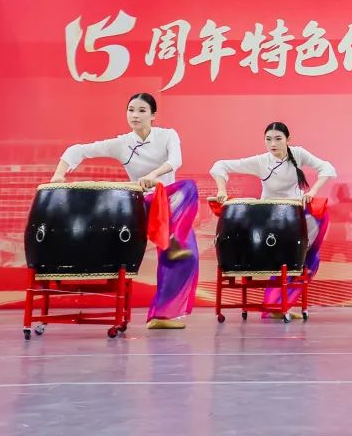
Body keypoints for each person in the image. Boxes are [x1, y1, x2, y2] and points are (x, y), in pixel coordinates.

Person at [49, 93, 198, 329]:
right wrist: (59, 174)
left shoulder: (168, 135)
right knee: (173, 219)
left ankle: (163, 316)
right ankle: (172, 239)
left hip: (171, 206)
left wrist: (153, 175)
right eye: (131, 110)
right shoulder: (122, 143)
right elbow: (77, 150)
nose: (135, 115)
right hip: (143, 204)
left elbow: (176, 160)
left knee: (188, 198)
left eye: (141, 110)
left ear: (153, 115)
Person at [210, 122, 336, 312]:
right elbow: (220, 166)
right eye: (268, 140)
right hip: (270, 218)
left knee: (313, 239)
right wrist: (221, 189)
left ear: (288, 139)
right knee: (283, 260)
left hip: (294, 215)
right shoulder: (261, 161)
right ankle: (274, 305)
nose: (273, 144)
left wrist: (312, 191)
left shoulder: (298, 154)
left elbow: (327, 168)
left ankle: (280, 303)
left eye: (278, 139)